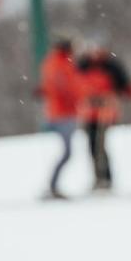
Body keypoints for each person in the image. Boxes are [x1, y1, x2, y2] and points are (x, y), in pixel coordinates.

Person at [77, 45, 131, 192]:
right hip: (88, 113)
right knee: (93, 146)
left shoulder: (111, 66)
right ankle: (99, 178)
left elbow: (124, 86)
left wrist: (129, 92)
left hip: (105, 113)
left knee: (100, 145)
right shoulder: (83, 66)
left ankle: (105, 178)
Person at [38, 36, 81, 199]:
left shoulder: (54, 62)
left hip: (60, 112)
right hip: (63, 113)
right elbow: (64, 87)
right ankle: (53, 186)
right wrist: (79, 97)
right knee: (67, 152)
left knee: (67, 152)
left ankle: (53, 186)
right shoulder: (60, 63)